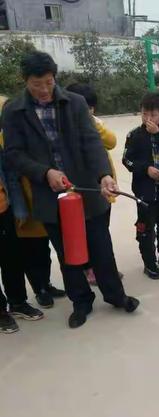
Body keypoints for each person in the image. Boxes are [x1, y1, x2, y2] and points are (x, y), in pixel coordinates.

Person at [2, 51, 139, 329]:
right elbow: (14, 154)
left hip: (87, 190)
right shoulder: (14, 111)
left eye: (48, 83)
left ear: (55, 78)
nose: (43, 90)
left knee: (101, 247)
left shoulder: (74, 103)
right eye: (36, 84)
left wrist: (103, 175)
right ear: (25, 80)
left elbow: (92, 141)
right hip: (49, 195)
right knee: (67, 253)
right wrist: (45, 172)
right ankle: (81, 302)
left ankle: (115, 295)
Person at [1, 95, 65, 309]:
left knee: (44, 247)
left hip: (42, 196)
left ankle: (45, 284)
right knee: (31, 250)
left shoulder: (29, 135)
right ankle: (39, 289)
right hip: (24, 203)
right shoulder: (7, 142)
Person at [65, 83, 124, 285]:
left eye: (90, 108)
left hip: (102, 187)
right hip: (82, 190)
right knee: (84, 232)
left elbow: (111, 141)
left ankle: (104, 269)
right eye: (84, 108)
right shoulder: (67, 126)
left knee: (101, 233)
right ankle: (88, 268)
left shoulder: (93, 123)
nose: (88, 112)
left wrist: (90, 122)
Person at [123, 92, 159, 279]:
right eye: (145, 114)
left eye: (153, 115)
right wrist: (145, 169)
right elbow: (126, 160)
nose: (148, 119)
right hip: (144, 192)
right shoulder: (134, 136)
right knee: (146, 228)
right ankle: (149, 263)